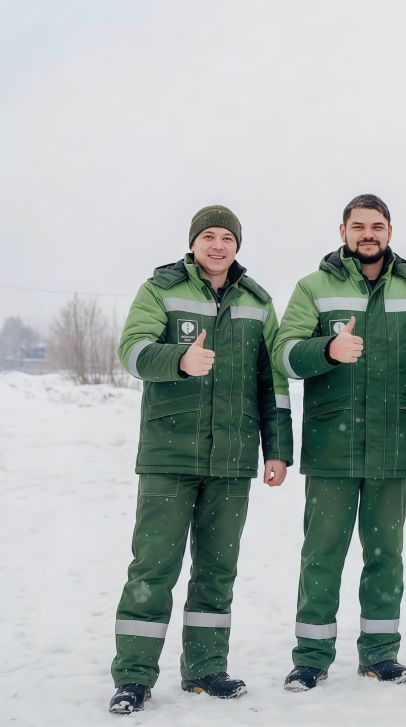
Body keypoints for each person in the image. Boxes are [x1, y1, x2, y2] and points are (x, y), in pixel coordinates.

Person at [109, 205, 293, 714]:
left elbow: (270, 382)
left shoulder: (258, 303)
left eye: (226, 238)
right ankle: (134, 676)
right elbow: (132, 350)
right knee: (153, 569)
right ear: (193, 243)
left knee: (217, 570)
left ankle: (206, 669)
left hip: (233, 459)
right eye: (207, 236)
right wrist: (179, 360)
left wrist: (277, 450)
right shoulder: (162, 289)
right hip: (170, 454)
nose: (217, 245)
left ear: (237, 246)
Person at [275, 194, 406, 691]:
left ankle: (380, 654)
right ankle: (310, 657)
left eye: (376, 226)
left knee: (385, 554)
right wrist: (326, 349)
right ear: (343, 231)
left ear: (390, 231)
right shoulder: (314, 288)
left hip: (396, 445)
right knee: (322, 553)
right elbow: (284, 355)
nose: (367, 234)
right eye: (358, 226)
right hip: (332, 446)